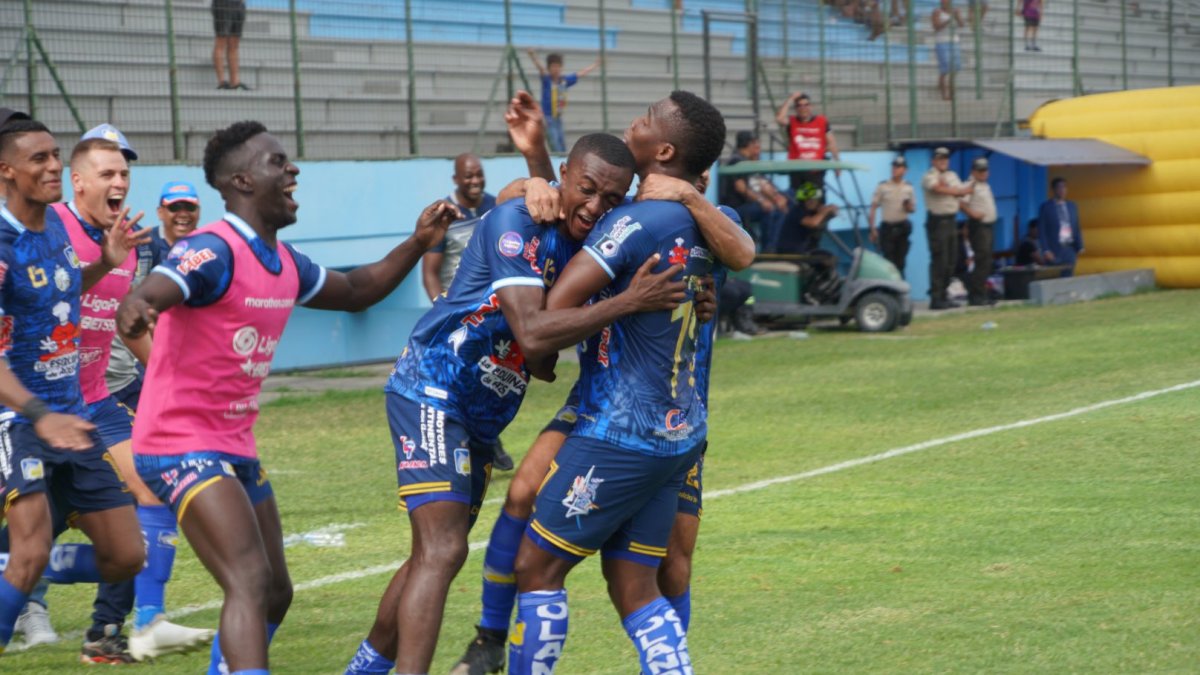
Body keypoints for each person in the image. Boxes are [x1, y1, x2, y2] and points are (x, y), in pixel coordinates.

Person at [115, 120, 460, 675]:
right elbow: (150, 295)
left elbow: (357, 290)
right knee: (247, 580)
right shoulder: (214, 251)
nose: (292, 169)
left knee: (275, 592)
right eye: (278, 162)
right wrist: (139, 307)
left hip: (233, 445)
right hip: (178, 443)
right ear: (242, 181)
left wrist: (419, 242)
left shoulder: (284, 261)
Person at [506, 90, 728, 675]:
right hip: (680, 435)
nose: (634, 120)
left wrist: (621, 304)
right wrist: (535, 169)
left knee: (537, 568)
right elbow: (741, 251)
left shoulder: (632, 221)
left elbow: (553, 311)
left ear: (663, 148)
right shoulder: (706, 218)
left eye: (646, 119)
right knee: (634, 581)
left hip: (620, 433)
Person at [0, 118, 147, 657]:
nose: (54, 166)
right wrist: (41, 415)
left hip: (72, 416)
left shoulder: (55, 229)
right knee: (31, 551)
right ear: (6, 172)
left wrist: (103, 264)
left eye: (56, 155)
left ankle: (10, 565)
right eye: (38, 158)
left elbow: (62, 290)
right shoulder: (3, 241)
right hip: (18, 419)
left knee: (128, 554)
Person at [421, 153, 498, 301]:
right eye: (468, 176)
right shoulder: (442, 215)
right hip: (458, 302)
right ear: (456, 179)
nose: (475, 181)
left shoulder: (496, 206)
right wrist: (443, 311)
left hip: (491, 302)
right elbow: (430, 274)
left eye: (479, 175)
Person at [921, 147, 974, 309]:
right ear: (933, 161)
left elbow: (963, 193)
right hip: (938, 222)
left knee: (951, 261)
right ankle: (936, 297)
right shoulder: (929, 175)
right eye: (939, 158)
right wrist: (954, 190)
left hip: (952, 220)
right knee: (940, 260)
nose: (943, 161)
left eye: (945, 158)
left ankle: (943, 294)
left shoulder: (952, 175)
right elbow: (936, 188)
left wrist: (953, 190)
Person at [719, 131, 788, 253]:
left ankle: (775, 247)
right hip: (736, 208)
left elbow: (762, 185)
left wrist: (777, 198)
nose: (758, 149)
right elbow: (740, 187)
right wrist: (762, 201)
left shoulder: (750, 161)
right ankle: (767, 250)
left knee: (780, 209)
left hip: (748, 205)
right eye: (755, 145)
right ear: (748, 145)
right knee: (768, 209)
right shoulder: (736, 161)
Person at [527, 50, 600, 153]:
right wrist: (533, 57)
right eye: (553, 67)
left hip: (558, 117)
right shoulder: (547, 80)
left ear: (561, 68)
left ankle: (562, 159)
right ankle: (557, 158)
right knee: (555, 141)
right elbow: (541, 69)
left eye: (558, 67)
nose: (556, 69)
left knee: (561, 142)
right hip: (548, 117)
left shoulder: (564, 81)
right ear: (549, 68)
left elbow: (579, 74)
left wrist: (595, 65)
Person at [775, 91, 841, 198]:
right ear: (796, 108)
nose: (803, 108)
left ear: (811, 106)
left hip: (816, 170)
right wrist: (791, 99)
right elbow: (779, 119)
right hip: (797, 170)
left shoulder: (822, 121)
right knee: (798, 200)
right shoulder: (792, 122)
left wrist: (837, 164)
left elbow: (832, 143)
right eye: (799, 105)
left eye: (806, 105)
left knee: (816, 200)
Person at [868, 155, 917, 277]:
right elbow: (873, 208)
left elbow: (913, 209)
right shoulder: (883, 186)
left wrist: (908, 207)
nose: (895, 169)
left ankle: (900, 292)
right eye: (894, 166)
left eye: (899, 167)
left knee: (901, 263)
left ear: (905, 170)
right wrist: (872, 229)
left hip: (902, 228)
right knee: (888, 263)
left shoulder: (909, 187)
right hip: (888, 229)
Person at [958, 156, 998, 305]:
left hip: (988, 226)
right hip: (979, 226)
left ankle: (981, 293)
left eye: (985, 170)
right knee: (982, 260)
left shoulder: (984, 185)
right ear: (973, 171)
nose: (983, 173)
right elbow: (961, 203)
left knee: (986, 261)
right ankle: (976, 295)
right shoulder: (971, 184)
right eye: (980, 170)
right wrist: (972, 214)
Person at [1037, 176, 1083, 276]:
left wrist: (1079, 246)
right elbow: (1042, 230)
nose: (1062, 190)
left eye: (1064, 187)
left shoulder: (1071, 206)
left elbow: (1076, 226)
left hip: (1069, 248)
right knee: (1055, 277)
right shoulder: (1046, 207)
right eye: (1059, 187)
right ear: (1053, 190)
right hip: (1054, 249)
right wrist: (1046, 250)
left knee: (1068, 277)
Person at [777, 182, 838, 255]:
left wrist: (830, 211)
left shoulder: (811, 212)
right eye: (809, 199)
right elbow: (812, 223)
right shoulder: (797, 211)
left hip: (801, 252)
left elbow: (833, 213)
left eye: (815, 199)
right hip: (789, 253)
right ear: (803, 201)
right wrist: (824, 212)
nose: (812, 202)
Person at [932, 0, 965, 100]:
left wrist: (957, 16)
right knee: (945, 70)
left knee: (955, 69)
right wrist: (949, 20)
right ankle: (944, 94)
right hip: (942, 42)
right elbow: (936, 27)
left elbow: (962, 24)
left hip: (954, 42)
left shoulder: (955, 11)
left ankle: (952, 94)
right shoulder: (937, 12)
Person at [212, 0, 248, 90]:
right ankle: (222, 82)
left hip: (239, 4)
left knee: (234, 44)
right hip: (223, 3)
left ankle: (235, 82)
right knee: (221, 40)